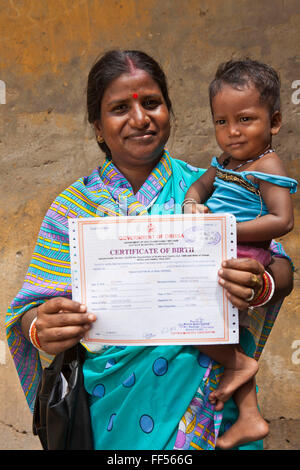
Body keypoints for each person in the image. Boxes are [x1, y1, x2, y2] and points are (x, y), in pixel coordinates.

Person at [6, 51, 294, 451]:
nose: (140, 118)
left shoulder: (209, 189)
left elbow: (280, 268)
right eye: (120, 108)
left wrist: (259, 283)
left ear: (169, 113)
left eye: (152, 103)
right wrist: (42, 325)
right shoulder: (73, 208)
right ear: (98, 127)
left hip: (210, 405)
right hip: (110, 412)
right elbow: (28, 314)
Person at [183, 58, 297, 448]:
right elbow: (199, 186)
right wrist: (191, 203)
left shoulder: (268, 165)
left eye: (245, 119)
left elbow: (282, 221)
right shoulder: (227, 163)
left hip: (247, 255)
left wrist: (224, 227)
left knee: (193, 315)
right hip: (222, 248)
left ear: (275, 122)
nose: (232, 132)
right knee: (208, 323)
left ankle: (240, 369)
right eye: (221, 122)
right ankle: (248, 412)